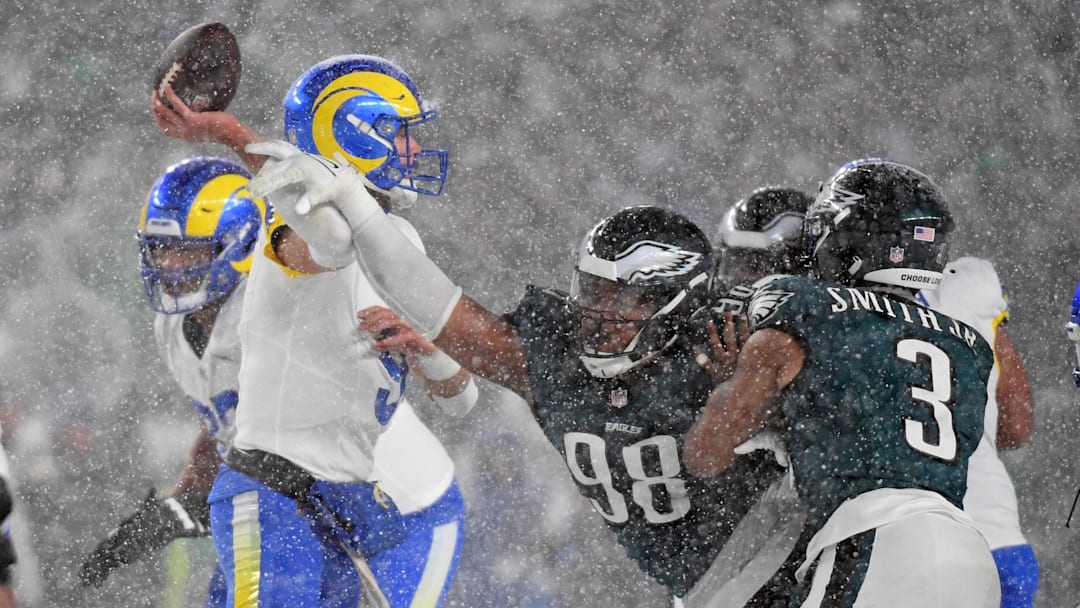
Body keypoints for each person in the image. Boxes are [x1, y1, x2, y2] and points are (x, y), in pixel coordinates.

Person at [245, 133, 793, 607]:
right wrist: (356, 206)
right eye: (592, 290)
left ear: (674, 302)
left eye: (620, 298)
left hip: (785, 564)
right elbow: (440, 308)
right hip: (703, 586)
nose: (597, 314)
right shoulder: (555, 361)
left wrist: (753, 392)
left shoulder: (732, 351)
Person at [153, 55, 475, 608]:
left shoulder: (399, 238)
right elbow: (330, 242)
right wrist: (234, 135)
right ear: (355, 134)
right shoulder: (290, 227)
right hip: (273, 490)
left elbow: (461, 397)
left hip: (351, 503)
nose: (416, 151)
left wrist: (427, 351)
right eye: (400, 134)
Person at [683, 158, 1001, 606]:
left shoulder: (800, 304)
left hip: (872, 541)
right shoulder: (969, 347)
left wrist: (736, 379)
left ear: (847, 236)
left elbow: (706, 453)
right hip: (971, 558)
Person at [78, 156, 265, 606]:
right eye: (161, 249)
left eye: (189, 251)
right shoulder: (171, 324)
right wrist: (184, 499)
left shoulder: (264, 315)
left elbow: (294, 446)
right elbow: (222, 425)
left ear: (237, 244)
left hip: (371, 500)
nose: (171, 266)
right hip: (270, 509)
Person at [919, 256, 1039, 607]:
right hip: (995, 533)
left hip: (909, 540)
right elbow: (1016, 426)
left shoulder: (839, 303)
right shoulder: (966, 285)